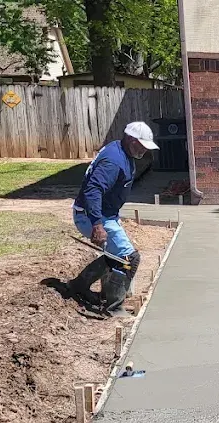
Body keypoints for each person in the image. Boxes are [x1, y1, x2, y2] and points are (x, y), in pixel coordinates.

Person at [67, 122, 156, 317]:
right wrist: (97, 225)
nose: (144, 150)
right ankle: (113, 308)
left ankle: (79, 286)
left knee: (116, 258)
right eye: (142, 145)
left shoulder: (119, 149)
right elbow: (93, 190)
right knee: (129, 259)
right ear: (132, 141)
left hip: (103, 214)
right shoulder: (113, 161)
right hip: (92, 217)